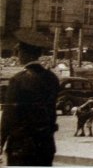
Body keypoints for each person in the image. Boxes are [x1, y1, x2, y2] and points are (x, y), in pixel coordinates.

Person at [0, 29, 60, 166]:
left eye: (18, 51)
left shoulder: (18, 80)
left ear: (23, 53)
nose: (17, 55)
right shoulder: (52, 79)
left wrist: (1, 141)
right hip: (45, 145)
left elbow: (9, 116)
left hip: (21, 146)